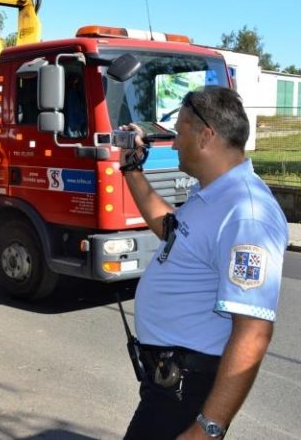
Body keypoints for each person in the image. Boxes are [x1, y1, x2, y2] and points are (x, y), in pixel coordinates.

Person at [120, 87, 288, 439]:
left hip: (188, 390)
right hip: (168, 383)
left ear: (206, 135)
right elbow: (170, 229)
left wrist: (208, 427)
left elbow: (254, 332)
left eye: (179, 132)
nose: (175, 143)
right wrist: (132, 169)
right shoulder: (212, 193)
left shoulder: (247, 213)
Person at [64, 72, 87, 138]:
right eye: (75, 82)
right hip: (73, 128)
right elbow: (72, 111)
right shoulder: (71, 94)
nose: (76, 84)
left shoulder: (77, 93)